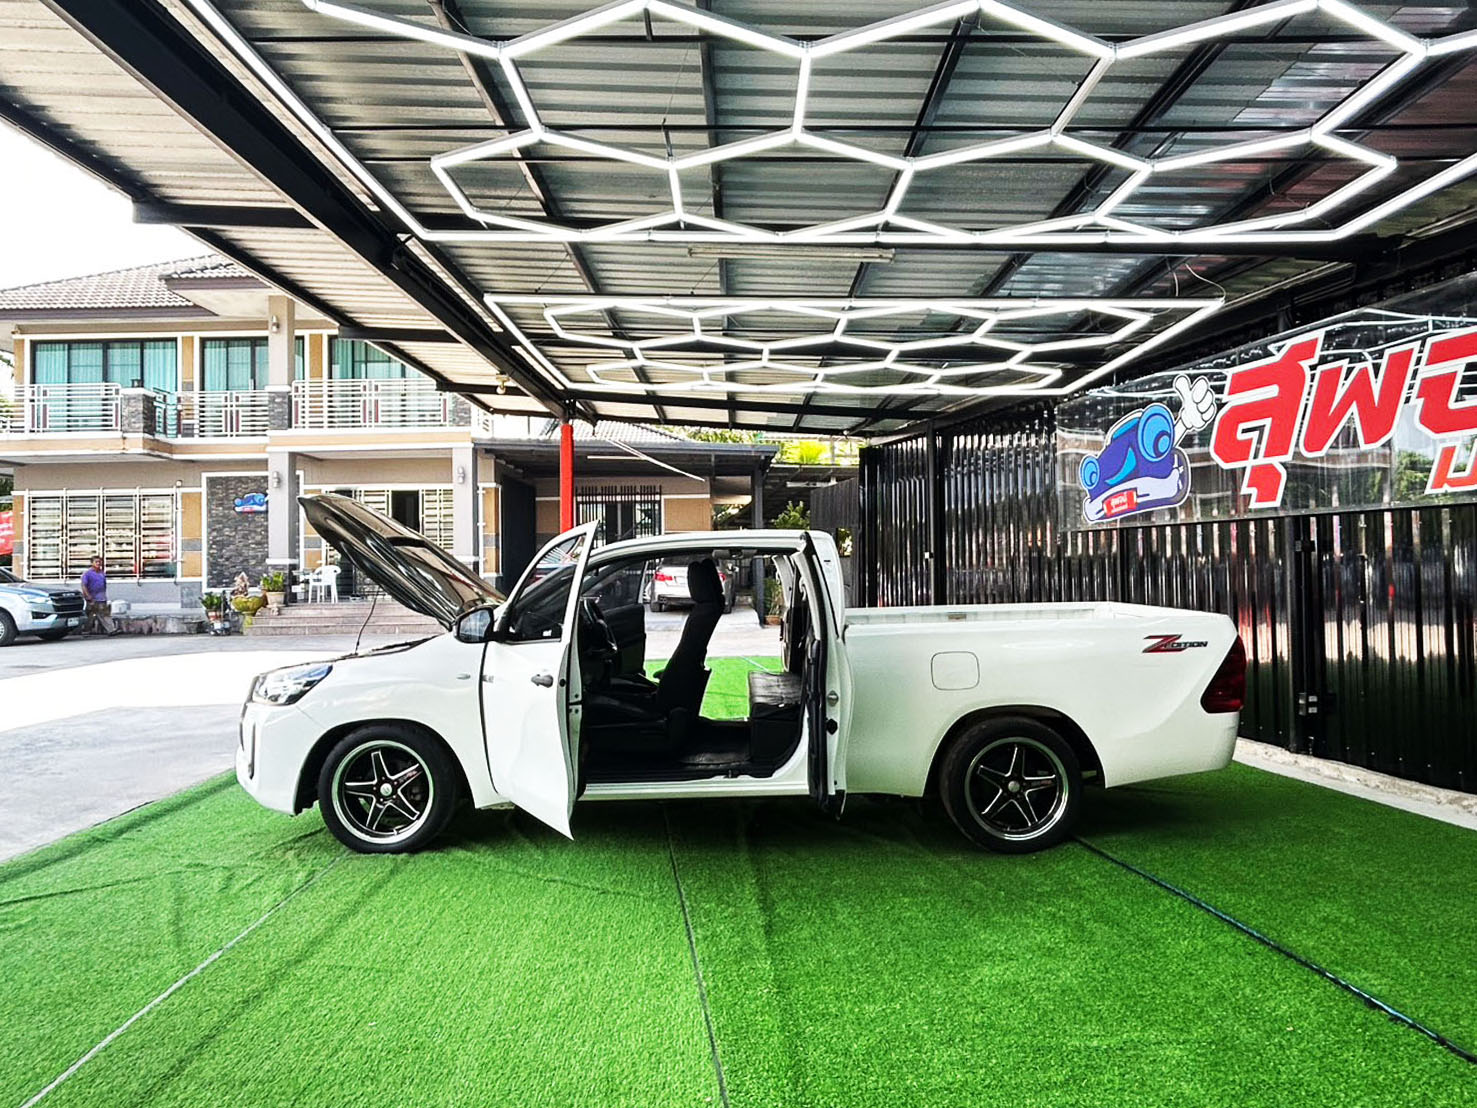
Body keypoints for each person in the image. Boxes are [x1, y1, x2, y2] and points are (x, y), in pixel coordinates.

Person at [80, 555, 119, 635]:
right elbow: (84, 586)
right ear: (92, 563)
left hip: (101, 598)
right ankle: (86, 630)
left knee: (104, 614)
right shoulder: (87, 574)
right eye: (96, 562)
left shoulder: (102, 573)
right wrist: (88, 596)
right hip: (92, 598)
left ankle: (111, 630)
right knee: (90, 616)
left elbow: (104, 585)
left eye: (99, 562)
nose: (98, 563)